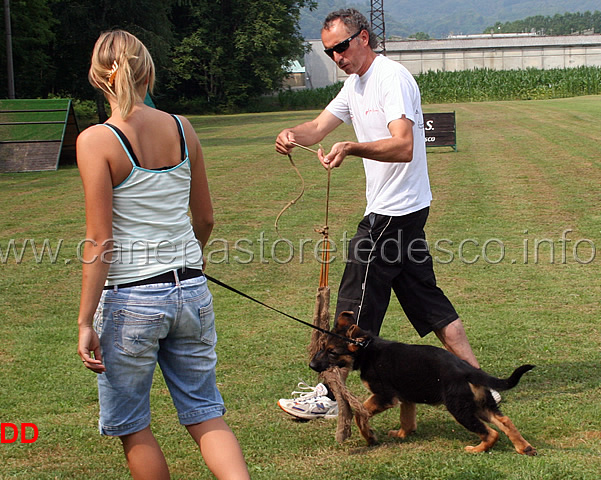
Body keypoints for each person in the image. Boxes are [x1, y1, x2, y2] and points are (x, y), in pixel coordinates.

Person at [275, 9, 496, 420]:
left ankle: (329, 393)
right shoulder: (355, 85)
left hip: (392, 211)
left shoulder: (390, 77)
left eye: (341, 46)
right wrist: (291, 135)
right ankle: (481, 385)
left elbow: (403, 146)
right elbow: (319, 127)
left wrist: (352, 147)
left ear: (363, 37)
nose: (337, 57)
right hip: (403, 209)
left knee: (354, 299)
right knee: (428, 302)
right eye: (329, 52)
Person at [76, 30, 249, 480]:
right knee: (204, 412)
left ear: (99, 77)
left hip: (130, 301)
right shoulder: (182, 127)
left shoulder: (97, 140)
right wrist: (193, 260)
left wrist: (83, 321)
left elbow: (99, 241)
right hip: (190, 290)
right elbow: (206, 219)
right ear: (148, 71)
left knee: (133, 427)